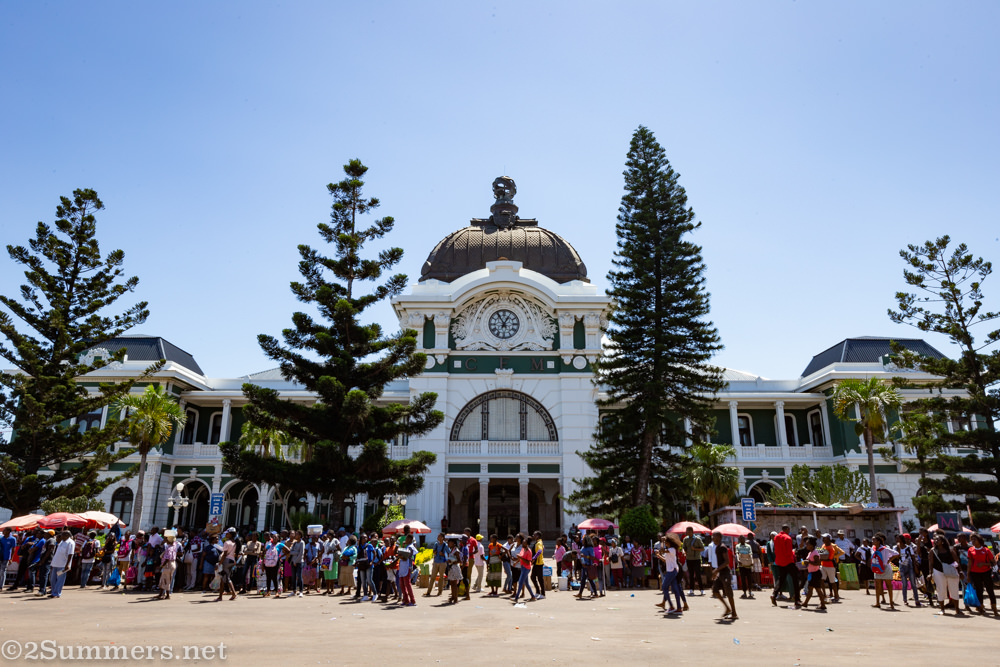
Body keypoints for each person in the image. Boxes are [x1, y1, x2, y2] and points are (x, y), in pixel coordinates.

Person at [928, 533, 962, 615]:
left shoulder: (950, 550)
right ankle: (942, 609)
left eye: (938, 539)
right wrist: (930, 573)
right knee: (940, 590)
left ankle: (957, 609)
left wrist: (960, 571)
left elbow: (956, 561)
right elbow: (931, 563)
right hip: (938, 571)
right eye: (935, 539)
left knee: (954, 589)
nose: (936, 541)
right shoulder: (933, 551)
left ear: (943, 541)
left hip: (951, 571)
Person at [770, 524, 801, 608]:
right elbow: (788, 552)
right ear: (787, 529)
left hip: (780, 561)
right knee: (796, 579)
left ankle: (774, 594)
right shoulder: (788, 538)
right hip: (788, 561)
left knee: (781, 579)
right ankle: (797, 599)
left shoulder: (776, 537)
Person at [655, 533, 686, 614]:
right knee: (675, 589)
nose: (665, 544)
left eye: (666, 542)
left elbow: (662, 549)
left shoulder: (672, 549)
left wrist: (661, 541)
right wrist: (659, 555)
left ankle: (671, 606)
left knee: (664, 587)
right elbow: (665, 560)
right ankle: (679, 608)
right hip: (672, 570)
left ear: (669, 543)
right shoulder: (670, 550)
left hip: (672, 570)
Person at [967, 533, 998, 616]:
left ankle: (994, 609)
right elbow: (969, 563)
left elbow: (994, 562)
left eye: (974, 539)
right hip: (975, 573)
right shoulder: (970, 550)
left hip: (986, 573)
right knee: (979, 590)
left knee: (990, 590)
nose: (972, 541)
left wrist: (983, 564)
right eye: (971, 540)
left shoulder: (986, 550)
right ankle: (981, 607)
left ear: (979, 540)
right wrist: (968, 574)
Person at [710, 531, 737, 620]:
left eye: (714, 536)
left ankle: (734, 613)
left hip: (725, 573)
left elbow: (727, 562)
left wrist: (716, 570)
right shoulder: (717, 547)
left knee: (729, 593)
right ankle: (727, 608)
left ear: (719, 537)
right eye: (713, 536)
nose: (712, 537)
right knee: (715, 590)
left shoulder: (722, 547)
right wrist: (716, 572)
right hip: (721, 573)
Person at [870, 532, 898, 609]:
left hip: (885, 568)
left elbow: (896, 553)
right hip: (877, 568)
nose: (872, 542)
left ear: (878, 541)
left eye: (874, 540)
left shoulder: (885, 549)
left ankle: (891, 603)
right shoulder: (873, 548)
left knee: (889, 586)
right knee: (878, 586)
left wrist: (889, 560)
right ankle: (877, 602)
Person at [800, 536, 827, 611]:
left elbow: (818, 563)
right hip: (812, 573)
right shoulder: (810, 552)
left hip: (815, 573)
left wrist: (808, 562)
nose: (806, 546)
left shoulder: (815, 553)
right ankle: (807, 603)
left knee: (817, 590)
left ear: (812, 545)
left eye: (807, 544)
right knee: (811, 589)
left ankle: (822, 604)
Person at [47, 531, 75, 599]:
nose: (60, 536)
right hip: (56, 563)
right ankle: (53, 592)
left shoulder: (70, 543)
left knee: (60, 580)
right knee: (52, 579)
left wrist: (67, 564)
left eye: (62, 535)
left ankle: (56, 593)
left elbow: (70, 554)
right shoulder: (62, 542)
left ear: (66, 535)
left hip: (63, 565)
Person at [895, 534, 921, 607]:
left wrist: (915, 566)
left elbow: (912, 557)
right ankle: (905, 600)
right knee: (904, 584)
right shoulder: (897, 547)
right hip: (902, 566)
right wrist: (899, 548)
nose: (897, 540)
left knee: (913, 583)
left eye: (898, 538)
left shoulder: (909, 548)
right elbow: (897, 557)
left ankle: (916, 599)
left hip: (909, 566)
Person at [512, 533, 538, 603]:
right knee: (526, 583)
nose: (522, 544)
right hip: (523, 567)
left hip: (526, 568)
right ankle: (533, 596)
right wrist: (516, 562)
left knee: (520, 582)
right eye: (523, 543)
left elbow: (528, 562)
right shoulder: (523, 549)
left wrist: (520, 558)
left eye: (524, 543)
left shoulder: (529, 551)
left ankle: (516, 597)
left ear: (527, 544)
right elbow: (520, 556)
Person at [819, 534, 842, 602]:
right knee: (821, 580)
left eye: (825, 538)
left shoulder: (831, 548)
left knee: (832, 582)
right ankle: (824, 594)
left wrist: (821, 559)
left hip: (830, 566)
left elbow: (830, 558)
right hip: (823, 565)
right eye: (823, 538)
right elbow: (821, 554)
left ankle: (836, 595)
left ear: (829, 539)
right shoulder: (823, 546)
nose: (823, 540)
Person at [396, 533, 418, 606]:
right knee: (402, 584)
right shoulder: (407, 546)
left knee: (407, 584)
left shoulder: (411, 547)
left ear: (410, 540)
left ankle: (413, 600)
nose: (405, 540)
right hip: (402, 567)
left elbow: (407, 557)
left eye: (407, 539)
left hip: (407, 567)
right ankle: (406, 600)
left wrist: (400, 556)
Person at [682, 527, 705, 595]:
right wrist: (683, 552)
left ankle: (701, 589)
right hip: (689, 559)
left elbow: (702, 548)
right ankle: (691, 589)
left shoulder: (697, 539)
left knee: (698, 575)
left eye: (688, 531)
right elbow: (684, 547)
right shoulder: (685, 539)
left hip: (696, 559)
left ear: (692, 531)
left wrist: (695, 548)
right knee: (691, 575)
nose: (687, 532)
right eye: (686, 531)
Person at [157, 531, 179, 600]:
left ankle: (167, 595)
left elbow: (167, 558)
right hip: (173, 563)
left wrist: (161, 566)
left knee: (166, 579)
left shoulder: (169, 548)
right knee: (165, 579)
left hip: (167, 564)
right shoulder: (174, 545)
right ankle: (161, 594)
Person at [735, 535, 754, 599]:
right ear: (739, 540)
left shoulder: (748, 546)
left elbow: (750, 554)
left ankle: (750, 591)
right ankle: (744, 592)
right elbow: (737, 554)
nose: (742, 540)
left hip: (748, 564)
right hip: (741, 565)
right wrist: (738, 560)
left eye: (743, 539)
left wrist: (752, 561)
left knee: (749, 579)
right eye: (740, 539)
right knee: (743, 579)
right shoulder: (737, 546)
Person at [446, 537, 463, 604]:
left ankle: (455, 598)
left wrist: (453, 561)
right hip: (451, 567)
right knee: (452, 583)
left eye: (449, 542)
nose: (448, 544)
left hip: (455, 568)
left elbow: (459, 560)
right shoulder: (451, 550)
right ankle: (453, 596)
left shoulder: (456, 551)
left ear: (453, 543)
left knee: (455, 584)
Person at [530, 531, 546, 598]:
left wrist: (534, 558)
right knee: (533, 577)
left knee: (540, 578)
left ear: (538, 536)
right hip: (536, 563)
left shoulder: (539, 542)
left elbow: (540, 551)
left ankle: (543, 594)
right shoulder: (538, 542)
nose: (533, 536)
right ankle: (537, 591)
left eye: (535, 535)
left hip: (539, 563)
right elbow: (543, 548)